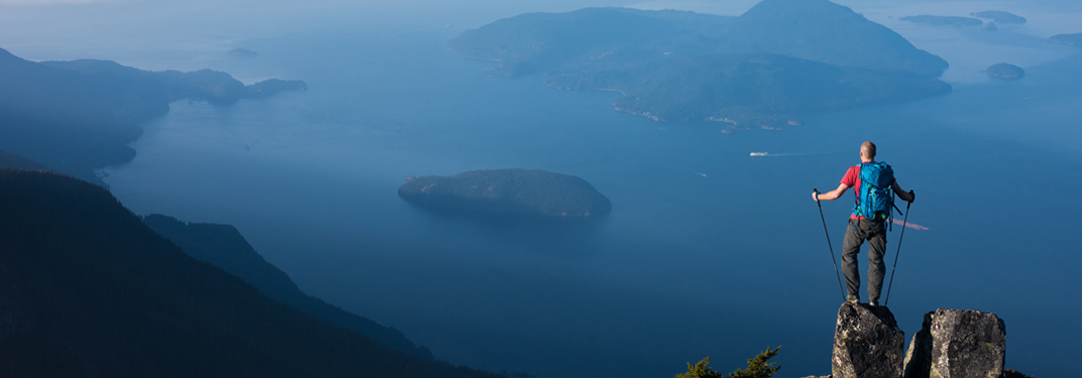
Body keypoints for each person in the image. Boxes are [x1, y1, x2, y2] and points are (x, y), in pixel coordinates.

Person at [813, 141, 914, 306]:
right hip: (879, 223)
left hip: (859, 222)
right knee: (877, 260)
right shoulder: (885, 173)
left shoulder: (855, 171)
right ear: (874, 154)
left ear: (861, 154)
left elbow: (836, 194)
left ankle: (853, 297)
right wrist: (911, 197)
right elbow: (902, 194)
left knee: (848, 255)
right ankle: (874, 300)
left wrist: (818, 196)